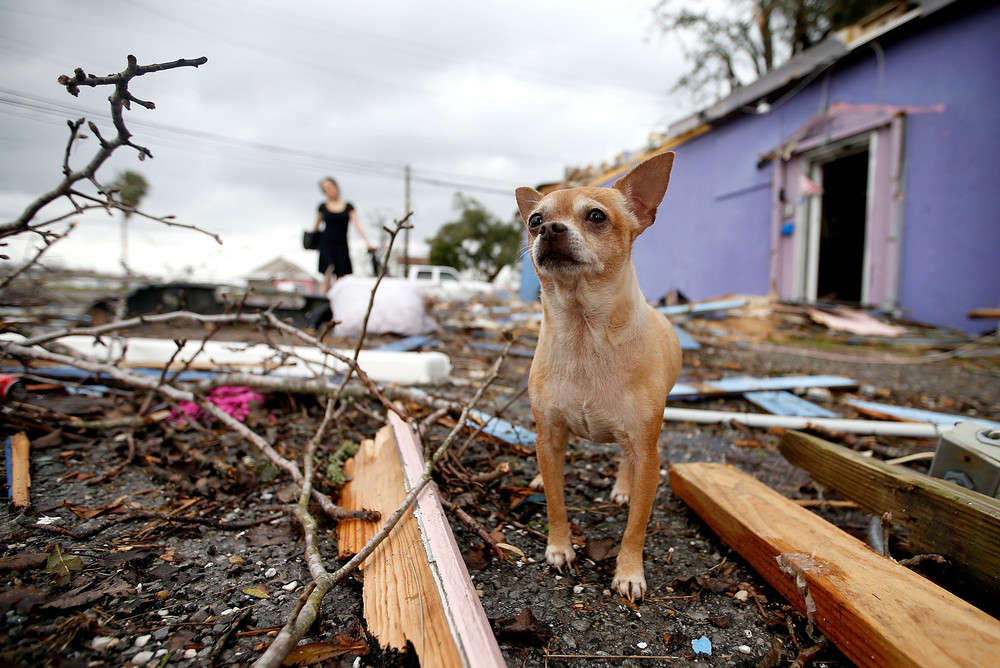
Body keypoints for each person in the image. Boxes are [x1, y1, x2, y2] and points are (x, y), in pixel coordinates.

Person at [312, 177, 376, 294]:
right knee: (327, 274)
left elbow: (358, 226)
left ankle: (338, 303)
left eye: (331, 187)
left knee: (341, 277)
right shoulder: (322, 207)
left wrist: (367, 242)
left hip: (341, 244)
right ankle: (322, 303)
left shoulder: (348, 207)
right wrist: (311, 241)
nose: (329, 190)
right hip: (326, 244)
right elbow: (315, 227)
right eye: (326, 189)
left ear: (336, 187)